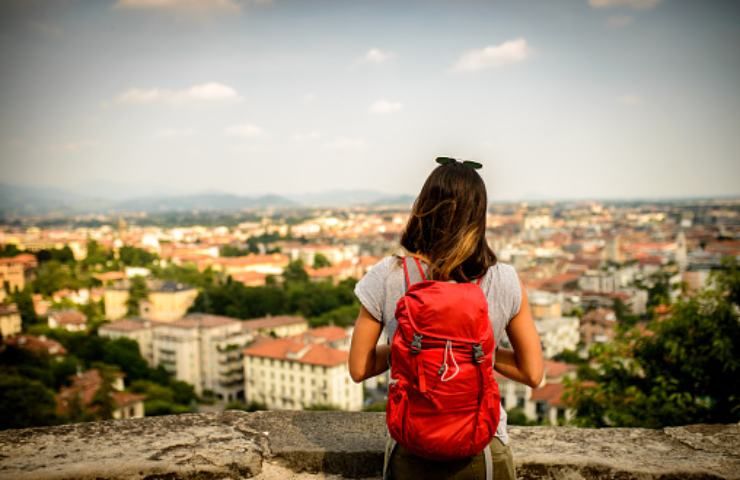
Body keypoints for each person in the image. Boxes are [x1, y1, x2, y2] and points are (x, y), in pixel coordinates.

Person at [348, 157, 544, 480]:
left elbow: (359, 367)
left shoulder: (387, 275)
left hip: (412, 446)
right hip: (482, 446)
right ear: (478, 216)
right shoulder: (505, 280)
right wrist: (474, 353)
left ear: (423, 207)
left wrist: (412, 351)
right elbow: (532, 372)